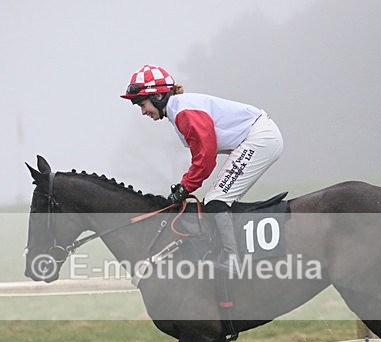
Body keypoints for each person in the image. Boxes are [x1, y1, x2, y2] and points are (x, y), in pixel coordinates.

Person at [120, 64, 283, 269]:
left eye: (142, 104)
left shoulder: (184, 112)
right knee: (218, 199)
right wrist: (185, 185)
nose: (143, 111)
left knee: (217, 200)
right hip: (258, 137)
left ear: (158, 97)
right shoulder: (178, 109)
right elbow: (204, 156)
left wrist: (185, 187)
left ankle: (232, 261)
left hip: (260, 139)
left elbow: (205, 158)